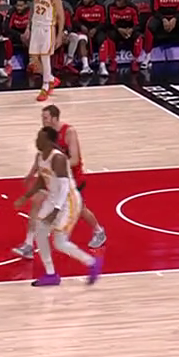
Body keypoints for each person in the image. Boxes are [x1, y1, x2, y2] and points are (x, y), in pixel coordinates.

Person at [17, 126, 103, 287]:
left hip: (68, 201)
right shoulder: (40, 156)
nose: (36, 140)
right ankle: (51, 274)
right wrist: (26, 196)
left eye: (40, 138)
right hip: (53, 198)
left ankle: (92, 263)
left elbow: (64, 187)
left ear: (49, 141)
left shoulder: (58, 159)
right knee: (40, 231)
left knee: (59, 242)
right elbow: (42, 180)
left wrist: (55, 211)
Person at [16, 105, 106, 252]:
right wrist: (31, 173)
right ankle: (28, 244)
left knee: (80, 210)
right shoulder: (46, 133)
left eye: (45, 118)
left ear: (54, 118)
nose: (43, 120)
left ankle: (98, 231)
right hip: (53, 178)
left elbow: (75, 159)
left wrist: (55, 165)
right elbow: (41, 155)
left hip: (71, 178)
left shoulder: (69, 132)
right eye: (42, 118)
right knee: (36, 202)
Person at [30, 0, 64, 101]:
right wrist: (28, 26)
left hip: (47, 28)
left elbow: (61, 16)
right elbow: (33, 10)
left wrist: (59, 35)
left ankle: (45, 87)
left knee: (45, 57)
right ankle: (51, 78)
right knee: (34, 58)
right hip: (35, 26)